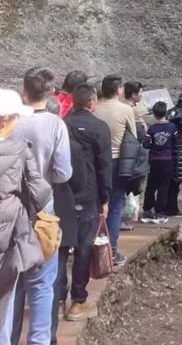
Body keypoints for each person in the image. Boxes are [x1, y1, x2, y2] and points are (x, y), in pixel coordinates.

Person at [8, 68, 71, 344]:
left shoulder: (10, 120)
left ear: (24, 90)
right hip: (42, 208)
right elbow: (63, 173)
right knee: (43, 284)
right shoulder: (56, 124)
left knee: (8, 285)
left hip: (8, 205)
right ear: (50, 93)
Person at [0, 90, 52, 345]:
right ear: (4, 121)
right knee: (4, 297)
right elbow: (39, 192)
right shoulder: (20, 150)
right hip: (9, 232)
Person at [59, 84, 112, 324]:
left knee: (60, 248)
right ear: (92, 103)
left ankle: (58, 300)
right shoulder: (99, 127)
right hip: (89, 194)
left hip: (63, 194)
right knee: (82, 249)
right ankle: (77, 302)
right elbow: (103, 166)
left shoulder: (61, 124)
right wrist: (105, 198)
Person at [94, 73, 137, 266]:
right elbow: (133, 136)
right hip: (118, 162)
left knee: (98, 206)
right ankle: (111, 250)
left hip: (95, 163)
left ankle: (93, 248)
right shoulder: (126, 109)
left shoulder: (94, 108)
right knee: (116, 206)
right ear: (119, 90)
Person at [50, 133, 85, 340]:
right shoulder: (70, 145)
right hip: (60, 206)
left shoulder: (18, 136)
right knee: (58, 263)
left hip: (25, 212)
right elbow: (78, 181)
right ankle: (59, 306)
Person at [141, 102, 176, 224]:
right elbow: (176, 142)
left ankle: (147, 211)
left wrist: (153, 144)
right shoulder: (172, 127)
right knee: (164, 186)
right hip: (167, 160)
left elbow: (146, 144)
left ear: (154, 115)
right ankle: (160, 213)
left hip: (154, 161)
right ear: (166, 113)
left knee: (151, 185)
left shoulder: (152, 128)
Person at [121, 81, 148, 231]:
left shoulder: (132, 107)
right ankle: (130, 215)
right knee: (133, 184)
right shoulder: (130, 110)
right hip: (133, 151)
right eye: (140, 93)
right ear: (133, 94)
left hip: (134, 150)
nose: (142, 95)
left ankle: (132, 214)